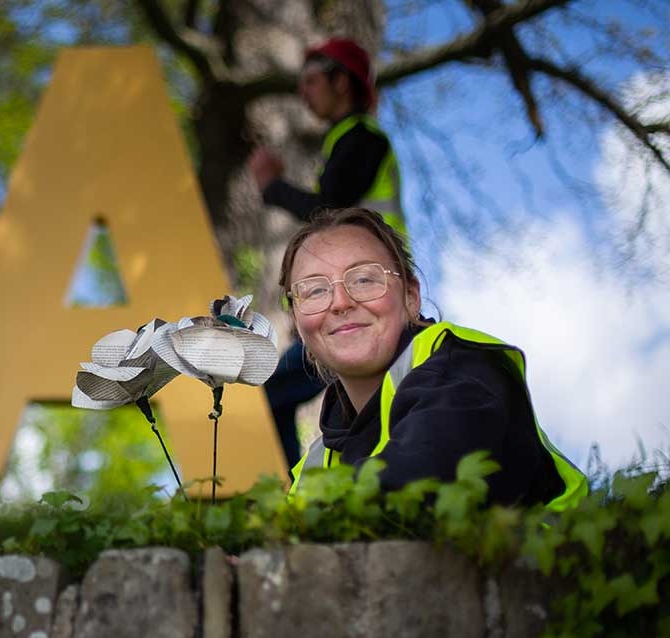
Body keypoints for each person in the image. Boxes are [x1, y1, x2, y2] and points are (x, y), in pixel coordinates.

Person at [280, 208, 586, 510]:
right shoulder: (318, 463)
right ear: (298, 324)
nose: (341, 302)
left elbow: (415, 485)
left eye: (364, 279)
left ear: (411, 297)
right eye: (316, 290)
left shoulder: (462, 371)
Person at [247, 37, 407, 469]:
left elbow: (329, 211)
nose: (303, 93)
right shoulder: (346, 140)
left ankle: (293, 504)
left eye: (312, 81)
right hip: (361, 297)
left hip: (368, 301)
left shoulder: (361, 138)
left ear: (342, 82)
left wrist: (271, 187)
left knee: (273, 392)